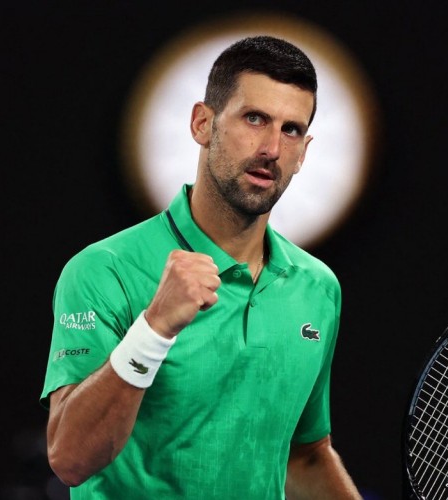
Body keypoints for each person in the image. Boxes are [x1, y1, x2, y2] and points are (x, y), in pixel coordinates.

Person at [41, 35, 361, 499]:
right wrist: (153, 329)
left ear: (304, 152)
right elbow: (70, 460)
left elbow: (303, 455)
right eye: (255, 118)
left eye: (291, 130)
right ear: (202, 123)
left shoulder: (317, 288)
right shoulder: (102, 270)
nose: (272, 148)